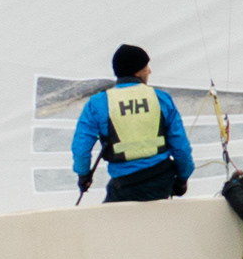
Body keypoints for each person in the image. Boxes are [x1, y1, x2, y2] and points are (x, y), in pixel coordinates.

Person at [71, 44, 193, 204]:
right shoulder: (161, 98)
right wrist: (182, 178)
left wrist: (83, 175)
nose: (149, 71)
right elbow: (181, 146)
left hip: (124, 184)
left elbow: (81, 148)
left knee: (111, 216)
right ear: (137, 72)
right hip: (161, 181)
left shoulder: (98, 103)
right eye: (146, 67)